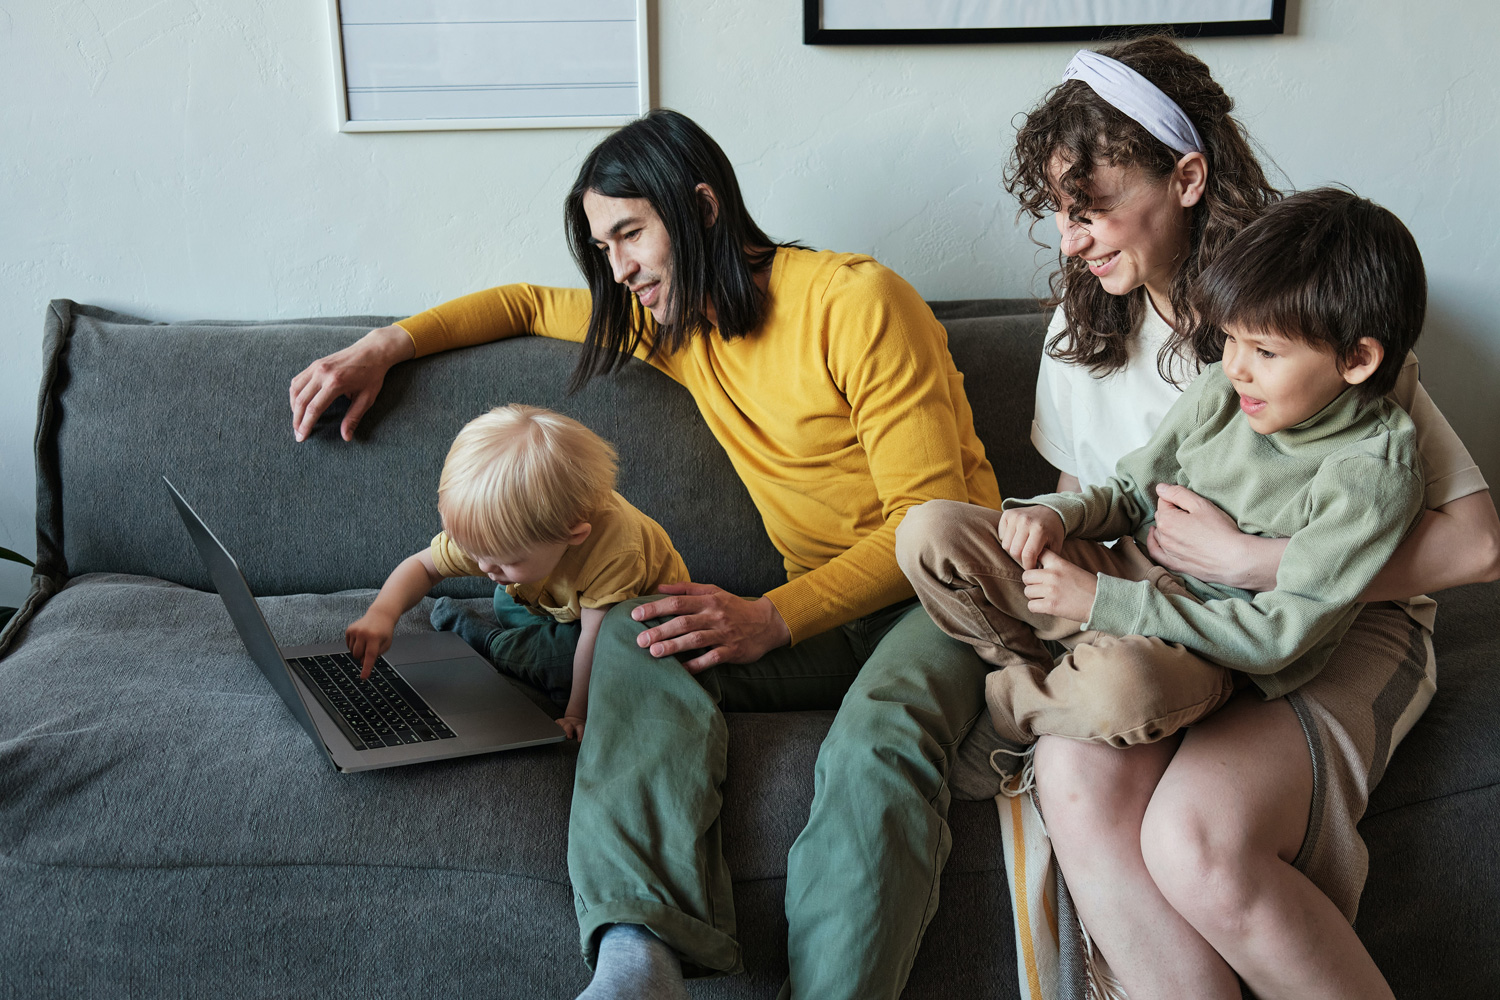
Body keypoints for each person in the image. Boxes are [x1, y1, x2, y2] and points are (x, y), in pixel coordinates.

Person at [289, 108, 1000, 999]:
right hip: (824, 610)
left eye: (631, 232)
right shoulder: (678, 327)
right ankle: (640, 956)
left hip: (947, 599)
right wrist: (382, 346)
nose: (618, 265)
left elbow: (923, 524)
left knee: (872, 749)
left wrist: (772, 619)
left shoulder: (857, 303)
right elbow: (519, 303)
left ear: (700, 209)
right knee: (630, 632)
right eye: (604, 243)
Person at [906, 37, 1500, 1000]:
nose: (1071, 239)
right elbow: (1097, 496)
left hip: (1331, 623)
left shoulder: (1301, 310)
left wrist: (1257, 559)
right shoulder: (1081, 330)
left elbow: (1475, 546)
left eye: (1092, 208)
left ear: (1186, 177)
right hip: (1170, 607)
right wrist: (1065, 551)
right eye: (1060, 213)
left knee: (1195, 843)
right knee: (1072, 771)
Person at [900, 188, 1430, 754]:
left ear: (1357, 359)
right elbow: (1132, 493)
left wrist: (1102, 603)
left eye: (1266, 353)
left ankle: (1015, 710)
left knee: (1121, 690)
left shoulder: (1372, 472)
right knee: (929, 533)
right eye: (1230, 338)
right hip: (1128, 569)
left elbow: (1275, 639)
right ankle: (1037, 670)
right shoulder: (1224, 389)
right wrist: (1055, 516)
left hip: (1208, 644)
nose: (1235, 367)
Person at [343, 404, 689, 740]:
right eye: (477, 554)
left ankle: (489, 643)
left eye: (502, 560)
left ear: (573, 536)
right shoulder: (499, 540)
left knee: (568, 659)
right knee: (504, 598)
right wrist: (381, 614)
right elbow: (422, 566)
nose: (483, 567)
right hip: (554, 601)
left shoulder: (616, 553)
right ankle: (525, 627)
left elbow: (594, 641)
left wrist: (577, 715)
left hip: (618, 622)